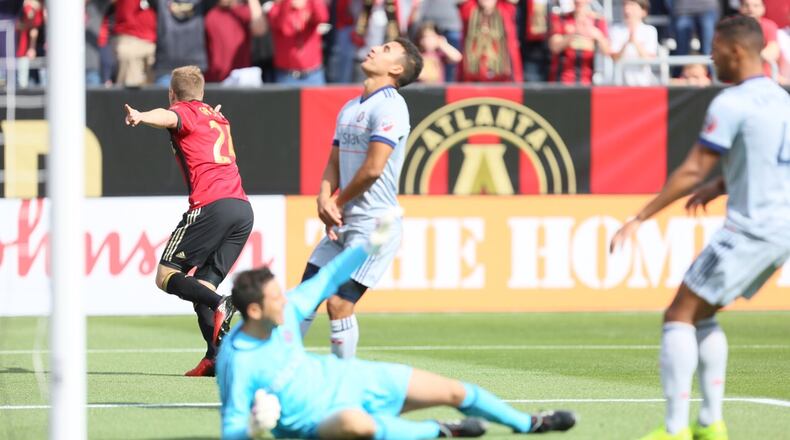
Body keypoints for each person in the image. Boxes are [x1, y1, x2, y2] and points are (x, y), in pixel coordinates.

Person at [217, 214, 577, 439]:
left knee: (455, 392)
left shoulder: (289, 310)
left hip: (350, 378)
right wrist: (253, 429)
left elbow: (331, 275)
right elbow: (231, 425)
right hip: (320, 422)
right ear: (253, 309)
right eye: (275, 298)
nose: (286, 300)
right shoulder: (238, 361)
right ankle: (438, 431)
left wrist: (370, 245)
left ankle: (530, 423)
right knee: (356, 425)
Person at [610, 16, 790, 440]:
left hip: (751, 229)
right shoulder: (782, 100)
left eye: (716, 47)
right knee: (703, 313)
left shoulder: (731, 102)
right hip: (781, 228)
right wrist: (722, 185)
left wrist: (640, 217)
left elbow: (691, 169)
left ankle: (674, 429)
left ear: (737, 51)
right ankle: (710, 423)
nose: (710, 56)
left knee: (679, 314)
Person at [123, 66, 253, 377]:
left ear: (172, 95)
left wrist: (141, 115)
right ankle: (215, 359)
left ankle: (223, 302)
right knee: (201, 288)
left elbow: (170, 117)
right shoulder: (217, 116)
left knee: (166, 275)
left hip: (211, 207)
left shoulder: (185, 111)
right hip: (242, 210)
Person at [298, 37, 422, 359]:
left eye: (386, 49)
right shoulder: (351, 107)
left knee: (339, 303)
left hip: (375, 226)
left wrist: (335, 204)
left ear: (396, 69)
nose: (375, 49)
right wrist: (323, 197)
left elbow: (373, 169)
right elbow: (334, 162)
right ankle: (278, 373)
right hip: (346, 220)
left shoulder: (391, 105)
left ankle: (345, 380)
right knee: (304, 298)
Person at [548, 0, 610, 85]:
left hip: (587, 82)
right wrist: (574, 33)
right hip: (562, 81)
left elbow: (607, 51)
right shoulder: (561, 19)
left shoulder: (598, 21)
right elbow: (554, 47)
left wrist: (597, 35)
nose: (579, 1)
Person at [609, 0, 658, 86]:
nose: (627, 9)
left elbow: (648, 60)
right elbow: (614, 57)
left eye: (631, 5)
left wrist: (634, 42)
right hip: (620, 85)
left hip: (643, 84)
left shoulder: (650, 31)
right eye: (625, 5)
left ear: (643, 11)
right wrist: (626, 43)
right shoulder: (615, 29)